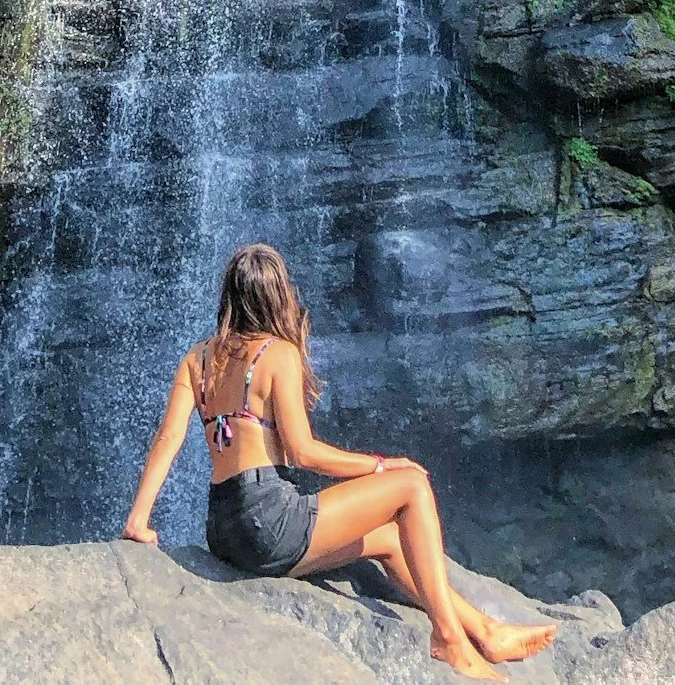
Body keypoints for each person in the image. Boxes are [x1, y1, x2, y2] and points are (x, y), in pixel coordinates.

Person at [121, 242, 555, 678]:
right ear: (278, 296)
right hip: (270, 522)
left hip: (225, 531)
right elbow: (304, 452)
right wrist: (382, 465)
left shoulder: (197, 359)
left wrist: (138, 519)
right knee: (413, 488)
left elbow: (169, 437)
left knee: (388, 538)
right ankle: (448, 638)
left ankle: (485, 631)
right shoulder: (276, 354)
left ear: (229, 295)